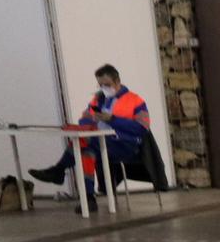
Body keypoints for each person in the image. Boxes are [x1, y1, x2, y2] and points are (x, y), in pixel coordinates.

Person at [27, 64, 150, 212]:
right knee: (86, 152)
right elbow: (83, 119)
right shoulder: (98, 99)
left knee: (83, 142)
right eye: (100, 85)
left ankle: (58, 171)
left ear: (117, 81)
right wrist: (93, 120)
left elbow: (142, 128)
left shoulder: (135, 100)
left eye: (107, 84)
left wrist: (112, 119)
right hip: (98, 141)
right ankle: (89, 198)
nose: (104, 88)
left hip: (125, 145)